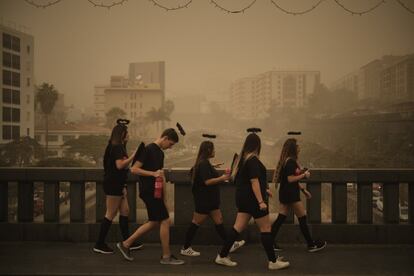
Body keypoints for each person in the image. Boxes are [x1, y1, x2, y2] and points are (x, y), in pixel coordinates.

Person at [215, 130, 290, 270]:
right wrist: (261, 201)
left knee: (237, 228)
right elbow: (254, 181)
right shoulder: (253, 160)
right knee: (266, 228)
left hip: (243, 199)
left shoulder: (243, 160)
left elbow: (248, 181)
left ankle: (222, 255)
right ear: (257, 145)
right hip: (253, 200)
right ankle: (273, 262)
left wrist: (265, 189)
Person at [116, 128, 185, 265]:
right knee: (165, 220)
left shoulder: (160, 153)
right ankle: (166, 256)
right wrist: (153, 174)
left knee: (154, 221)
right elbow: (134, 169)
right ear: (164, 138)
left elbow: (160, 175)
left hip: (155, 191)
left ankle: (126, 244)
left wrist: (165, 198)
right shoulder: (147, 149)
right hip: (149, 191)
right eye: (170, 144)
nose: (170, 147)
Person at [180, 137, 245, 257]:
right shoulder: (204, 164)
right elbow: (207, 182)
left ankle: (229, 244)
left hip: (210, 201)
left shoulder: (203, 163)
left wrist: (212, 166)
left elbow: (198, 172)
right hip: (205, 201)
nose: (215, 151)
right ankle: (185, 247)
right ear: (208, 150)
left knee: (219, 221)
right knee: (195, 223)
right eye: (213, 149)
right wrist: (222, 178)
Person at [93, 119, 143, 254]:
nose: (129, 135)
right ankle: (99, 243)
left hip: (117, 183)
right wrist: (134, 155)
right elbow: (120, 165)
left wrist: (124, 185)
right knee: (110, 213)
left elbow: (118, 169)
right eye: (127, 133)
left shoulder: (115, 146)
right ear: (122, 135)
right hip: (113, 184)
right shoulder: (117, 147)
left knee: (125, 211)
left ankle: (127, 242)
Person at [271, 138, 327, 252]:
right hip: (291, 194)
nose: (299, 148)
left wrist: (303, 190)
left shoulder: (287, 160)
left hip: (286, 192)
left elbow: (291, 179)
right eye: (297, 146)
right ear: (293, 149)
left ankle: (269, 241)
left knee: (281, 218)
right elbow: (290, 179)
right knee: (302, 218)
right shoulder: (290, 162)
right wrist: (304, 175)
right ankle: (311, 245)